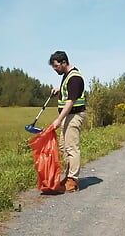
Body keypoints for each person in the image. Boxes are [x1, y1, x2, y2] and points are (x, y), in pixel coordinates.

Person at [49, 51, 86, 192]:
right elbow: (68, 93)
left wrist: (58, 120)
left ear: (64, 62)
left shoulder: (75, 78)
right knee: (64, 148)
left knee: (71, 148)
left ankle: (73, 180)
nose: (55, 69)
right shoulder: (67, 76)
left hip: (74, 115)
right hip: (68, 116)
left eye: (56, 66)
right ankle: (68, 176)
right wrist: (59, 90)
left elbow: (71, 101)